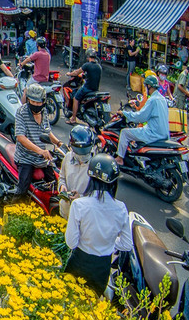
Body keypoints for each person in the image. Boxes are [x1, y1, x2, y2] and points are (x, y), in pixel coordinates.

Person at [64, 154, 134, 296]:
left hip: (79, 263)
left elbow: (71, 243)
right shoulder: (121, 208)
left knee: (70, 304)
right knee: (92, 308)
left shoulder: (79, 205)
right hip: (102, 268)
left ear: (90, 178)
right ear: (114, 182)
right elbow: (127, 244)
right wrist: (109, 243)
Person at [14, 83, 63, 198]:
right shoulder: (22, 112)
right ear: (28, 100)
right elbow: (21, 138)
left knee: (54, 184)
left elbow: (47, 131)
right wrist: (40, 151)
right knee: (22, 190)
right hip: (26, 157)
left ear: (43, 101)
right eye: (33, 102)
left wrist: (59, 143)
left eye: (38, 102)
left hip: (42, 158)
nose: (36, 104)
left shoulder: (44, 111)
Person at [115, 75, 169, 167]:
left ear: (149, 86)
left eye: (145, 86)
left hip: (153, 134)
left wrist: (125, 114)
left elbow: (140, 117)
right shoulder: (162, 99)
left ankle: (119, 159)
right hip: (164, 133)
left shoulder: (152, 100)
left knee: (124, 133)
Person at [59, 125, 94, 219]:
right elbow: (62, 177)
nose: (81, 157)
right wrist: (62, 187)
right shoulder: (67, 158)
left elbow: (98, 198)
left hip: (83, 215)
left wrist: (81, 197)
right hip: (66, 211)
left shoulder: (95, 166)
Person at [66, 49, 102, 125]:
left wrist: (69, 74)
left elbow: (76, 72)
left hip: (87, 88)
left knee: (76, 98)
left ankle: (73, 118)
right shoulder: (99, 66)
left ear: (88, 56)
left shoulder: (87, 65)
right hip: (95, 89)